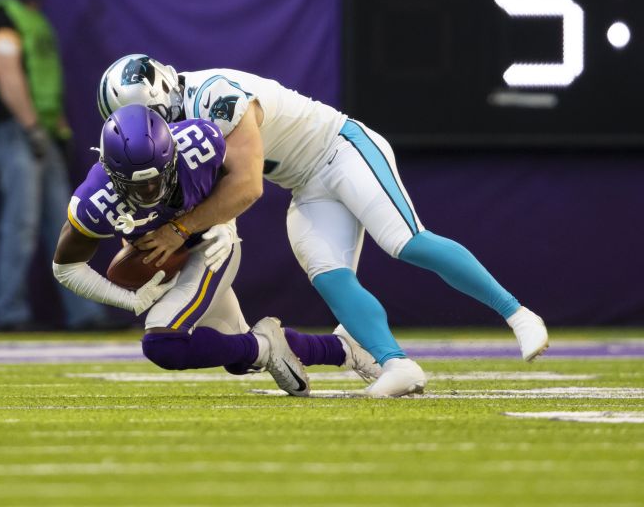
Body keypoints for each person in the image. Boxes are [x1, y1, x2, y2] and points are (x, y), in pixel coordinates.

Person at [96, 55, 550, 397]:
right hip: (305, 185)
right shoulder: (165, 134)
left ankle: (518, 313)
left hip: (342, 150)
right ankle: (396, 364)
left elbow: (247, 184)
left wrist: (182, 230)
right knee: (329, 275)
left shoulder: (216, 95)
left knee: (404, 241)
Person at [53, 104, 382, 395]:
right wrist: (128, 299)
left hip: (211, 246)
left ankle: (267, 345)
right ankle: (344, 349)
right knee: (240, 357)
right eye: (137, 184)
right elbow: (65, 267)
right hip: (174, 265)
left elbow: (240, 182)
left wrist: (225, 225)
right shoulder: (96, 200)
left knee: (163, 343)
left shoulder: (199, 142)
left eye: (157, 178)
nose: (150, 191)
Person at [0, 0, 110, 331]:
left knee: (66, 227)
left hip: (42, 131)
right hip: (16, 130)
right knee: (22, 224)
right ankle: (9, 313)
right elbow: (6, 73)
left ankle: (83, 313)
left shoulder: (38, 22)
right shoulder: (3, 14)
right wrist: (30, 126)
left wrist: (55, 129)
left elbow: (46, 84)